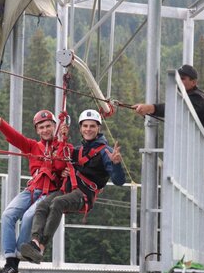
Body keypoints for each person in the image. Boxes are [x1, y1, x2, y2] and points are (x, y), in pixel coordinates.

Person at [133, 64, 204, 268]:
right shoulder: (192, 100)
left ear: (194, 82)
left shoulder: (197, 100)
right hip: (203, 161)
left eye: (185, 79)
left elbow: (176, 110)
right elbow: (177, 113)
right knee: (193, 212)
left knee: (194, 212)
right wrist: (150, 111)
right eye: (180, 79)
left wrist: (151, 108)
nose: (182, 82)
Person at [0, 101, 70, 273]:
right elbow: (14, 137)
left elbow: (65, 163)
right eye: (41, 127)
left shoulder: (63, 147)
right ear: (37, 131)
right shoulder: (32, 147)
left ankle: (21, 253)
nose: (45, 130)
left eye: (48, 126)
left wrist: (63, 151)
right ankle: (10, 261)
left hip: (48, 192)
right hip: (32, 190)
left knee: (30, 216)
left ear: (55, 127)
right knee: (8, 215)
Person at [20, 109, 126, 263]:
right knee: (42, 205)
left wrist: (116, 164)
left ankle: (41, 248)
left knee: (57, 203)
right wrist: (63, 148)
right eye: (85, 126)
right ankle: (35, 242)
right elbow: (61, 160)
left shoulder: (106, 152)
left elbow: (119, 181)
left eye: (92, 126)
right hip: (68, 190)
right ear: (81, 128)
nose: (88, 129)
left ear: (98, 129)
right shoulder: (77, 151)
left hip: (84, 195)